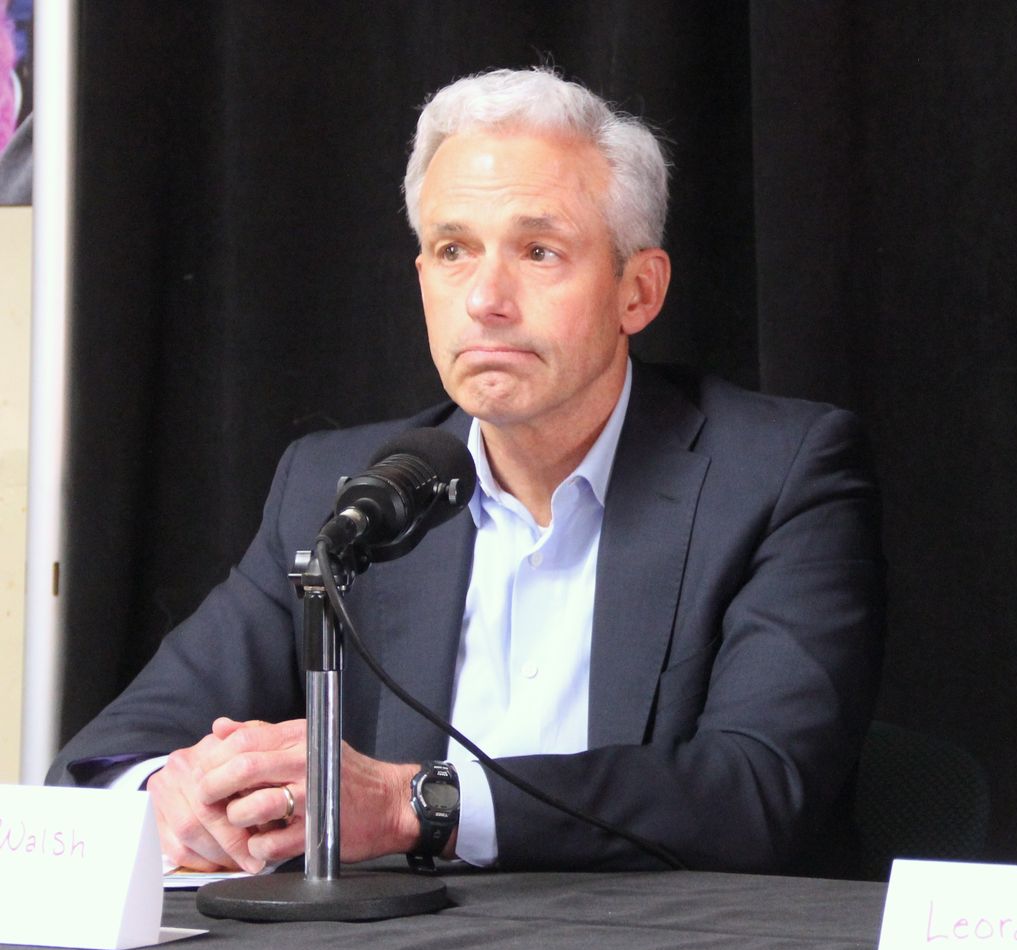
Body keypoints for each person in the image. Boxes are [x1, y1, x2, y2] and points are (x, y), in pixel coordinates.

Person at [48, 68, 885, 876]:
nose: (486, 296)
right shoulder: (342, 491)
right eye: (453, 250)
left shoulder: (777, 474)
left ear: (639, 290)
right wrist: (169, 796)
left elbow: (759, 792)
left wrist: (419, 804)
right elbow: (102, 761)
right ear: (422, 280)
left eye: (539, 251)